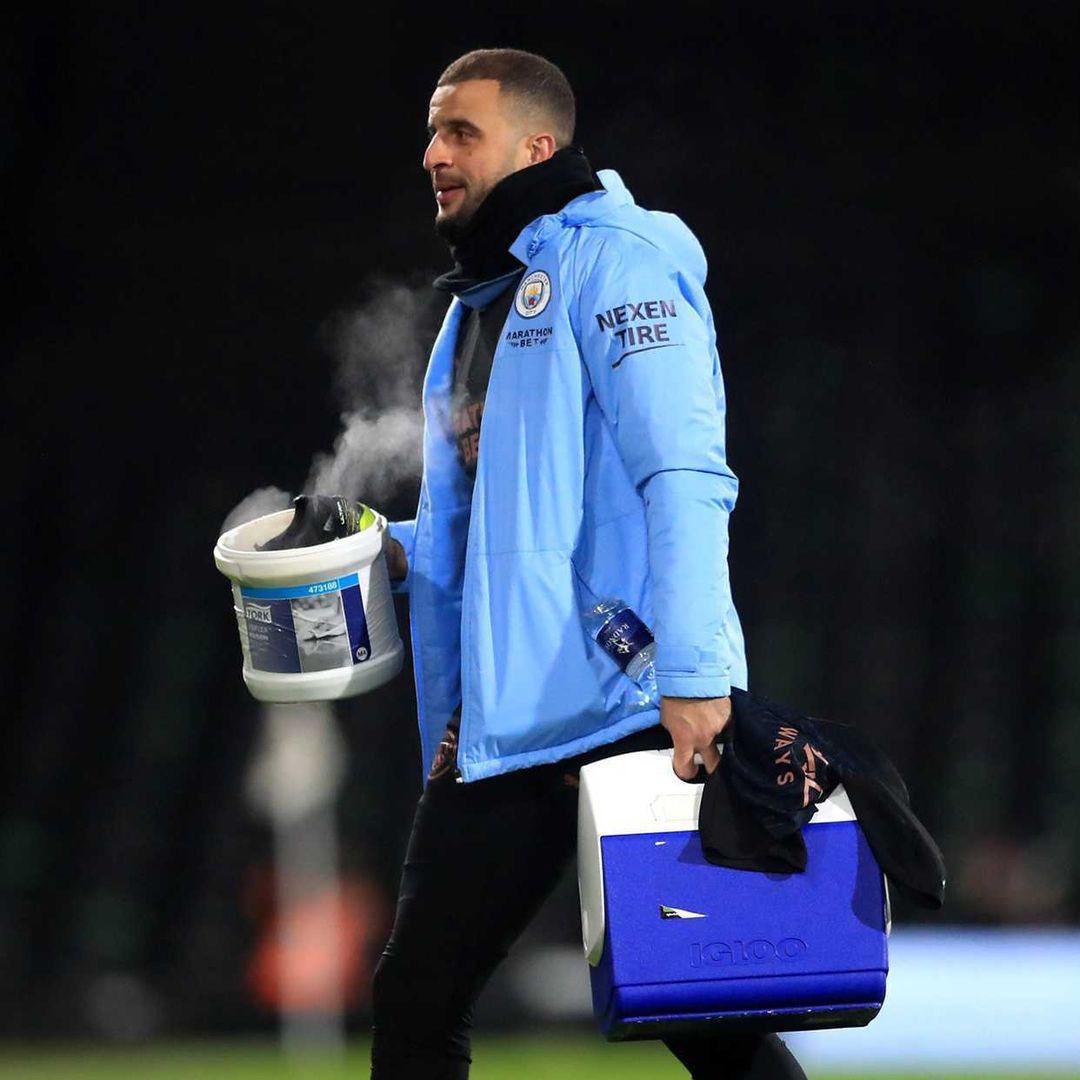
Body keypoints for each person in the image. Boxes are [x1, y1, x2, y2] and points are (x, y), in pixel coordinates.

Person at [374, 48, 806, 1079]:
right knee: (417, 996)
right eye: (432, 132)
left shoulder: (620, 260)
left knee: (701, 1014)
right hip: (513, 713)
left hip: (626, 699)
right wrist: (381, 549)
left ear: (537, 146)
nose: (433, 153)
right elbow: (509, 528)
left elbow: (683, 474)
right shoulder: (480, 300)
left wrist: (696, 675)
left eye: (460, 131)